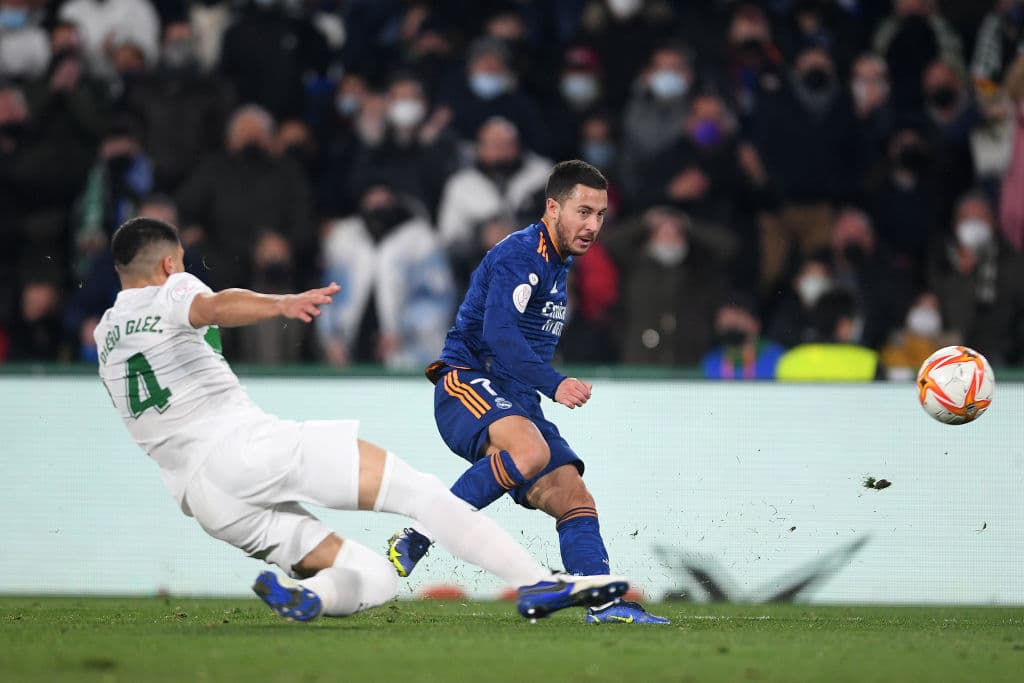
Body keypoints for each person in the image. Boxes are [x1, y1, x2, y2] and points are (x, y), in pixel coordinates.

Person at [92, 216, 628, 622]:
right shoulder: (172, 290)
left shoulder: (104, 336)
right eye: (181, 263)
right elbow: (211, 306)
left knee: (373, 579)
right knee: (419, 492)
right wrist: (280, 305)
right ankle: (535, 581)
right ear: (168, 264)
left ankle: (310, 596)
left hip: (203, 498)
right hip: (243, 448)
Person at [387, 160, 669, 625]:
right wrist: (556, 383)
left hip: (517, 399)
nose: (593, 225)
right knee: (531, 450)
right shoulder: (524, 254)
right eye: (583, 211)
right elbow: (499, 335)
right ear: (553, 208)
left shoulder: (559, 264)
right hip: (467, 382)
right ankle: (419, 532)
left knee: (575, 498)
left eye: (600, 215)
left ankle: (603, 603)